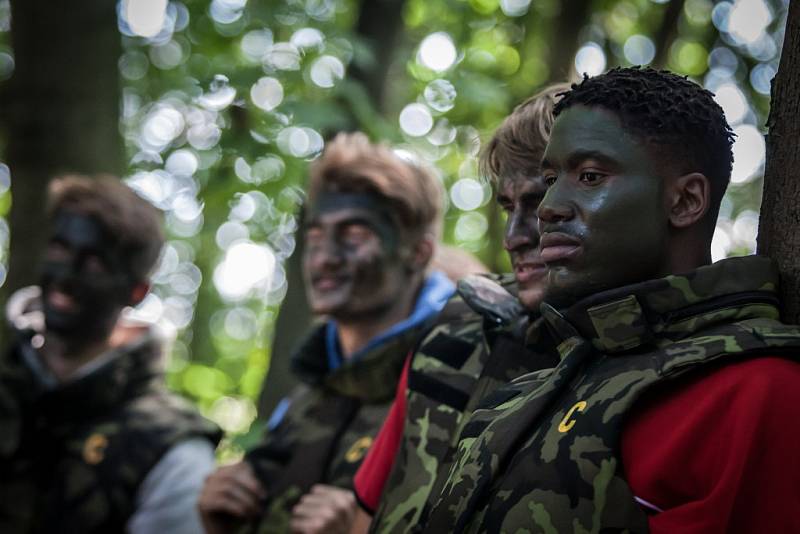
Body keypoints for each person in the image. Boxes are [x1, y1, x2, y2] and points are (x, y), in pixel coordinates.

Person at [421, 67, 800, 533]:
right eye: (551, 177)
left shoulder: (759, 394)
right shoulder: (540, 385)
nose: (548, 207)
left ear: (685, 201)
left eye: (589, 176)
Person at [197, 132, 455, 534]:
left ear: (417, 252)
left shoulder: (457, 387)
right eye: (316, 236)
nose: (325, 258)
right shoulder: (303, 399)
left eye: (353, 235)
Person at [350, 84, 569, 533]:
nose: (514, 238)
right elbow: (366, 514)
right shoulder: (453, 331)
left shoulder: (655, 363)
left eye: (538, 203)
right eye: (507, 206)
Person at [0, 175, 220, 534]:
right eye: (59, 248)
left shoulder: (168, 449)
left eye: (95, 263)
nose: (66, 275)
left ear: (137, 291)